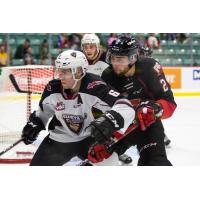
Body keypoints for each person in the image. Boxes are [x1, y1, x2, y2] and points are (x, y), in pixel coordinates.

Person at [21, 49, 135, 166]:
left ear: (79, 72)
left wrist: (110, 120)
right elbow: (43, 112)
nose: (60, 76)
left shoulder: (94, 85)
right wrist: (35, 123)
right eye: (59, 70)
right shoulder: (52, 88)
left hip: (89, 139)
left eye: (65, 71)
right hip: (59, 141)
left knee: (111, 165)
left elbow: (125, 106)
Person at [99, 35, 177, 166]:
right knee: (97, 160)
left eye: (120, 59)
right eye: (112, 58)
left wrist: (155, 109)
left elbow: (169, 103)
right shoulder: (107, 75)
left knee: (154, 163)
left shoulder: (149, 68)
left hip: (147, 125)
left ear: (133, 58)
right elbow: (105, 109)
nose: (115, 63)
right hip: (121, 127)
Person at [81, 33, 133, 164]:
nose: (88, 50)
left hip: (108, 96)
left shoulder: (107, 58)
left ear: (98, 46)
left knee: (111, 123)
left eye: (91, 46)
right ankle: (89, 151)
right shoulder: (80, 60)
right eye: (85, 47)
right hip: (90, 98)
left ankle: (117, 151)